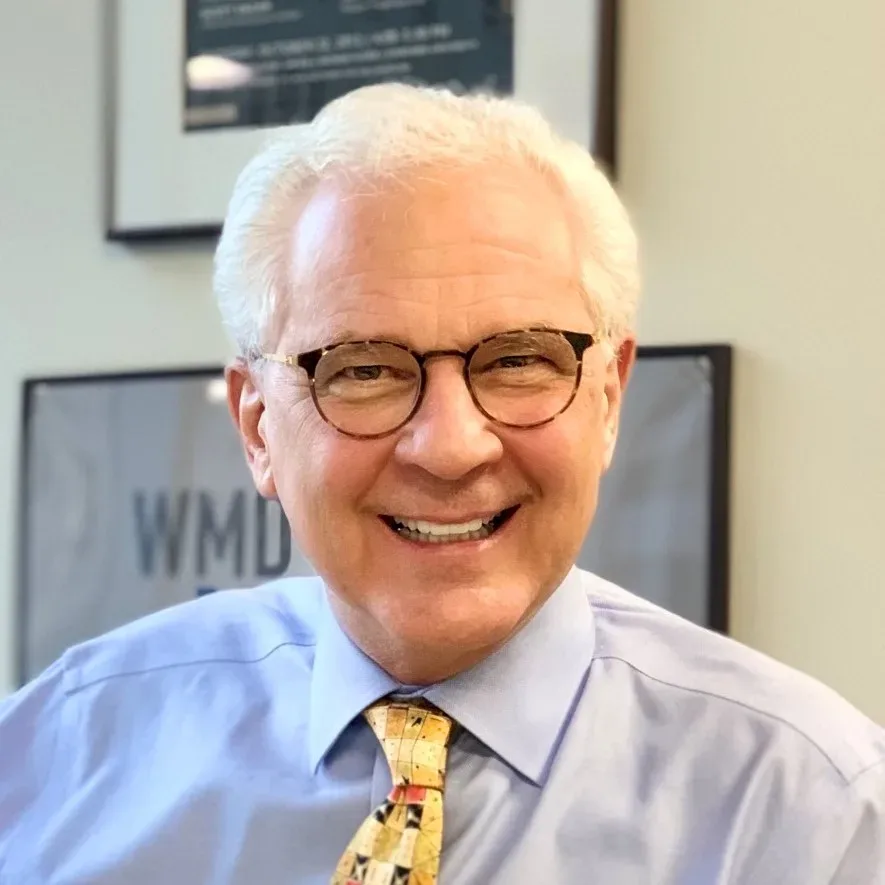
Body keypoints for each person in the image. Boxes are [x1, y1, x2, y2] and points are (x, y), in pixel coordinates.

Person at [1, 83, 883, 884]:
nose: (451, 447)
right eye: (363, 369)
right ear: (258, 426)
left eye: (520, 361)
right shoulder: (57, 756)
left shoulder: (812, 812)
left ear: (608, 398)